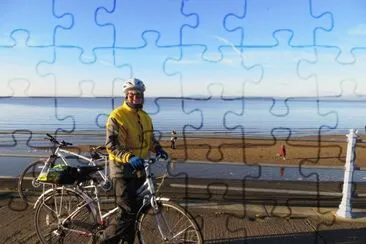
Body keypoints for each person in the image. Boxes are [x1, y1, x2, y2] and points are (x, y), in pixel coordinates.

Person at [95, 78, 169, 244]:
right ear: (126, 96)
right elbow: (111, 144)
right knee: (127, 213)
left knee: (136, 212)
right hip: (122, 170)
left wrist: (157, 148)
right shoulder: (117, 115)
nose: (136, 97)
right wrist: (128, 157)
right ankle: (101, 240)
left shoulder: (145, 116)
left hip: (140, 169)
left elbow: (149, 139)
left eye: (139, 94)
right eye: (132, 94)